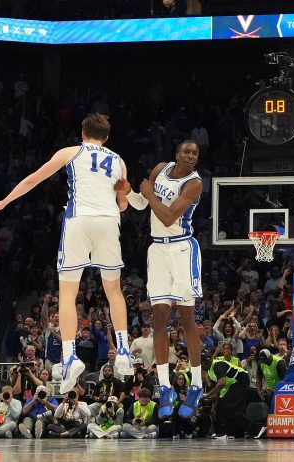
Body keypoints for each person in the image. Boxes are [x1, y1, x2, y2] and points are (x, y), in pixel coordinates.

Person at [0, 113, 134, 393]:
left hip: (79, 219)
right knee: (114, 291)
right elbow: (123, 204)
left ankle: (69, 357)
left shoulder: (71, 151)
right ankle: (124, 351)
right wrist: (125, 193)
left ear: (83, 133)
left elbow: (33, 179)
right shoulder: (118, 160)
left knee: (67, 294)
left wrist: (5, 201)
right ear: (106, 137)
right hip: (108, 219)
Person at [119, 140, 204, 419]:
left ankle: (196, 384)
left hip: (182, 248)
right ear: (176, 154)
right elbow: (142, 203)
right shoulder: (160, 169)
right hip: (157, 249)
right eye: (186, 152)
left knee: (186, 318)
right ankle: (165, 385)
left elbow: (167, 217)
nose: (191, 156)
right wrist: (129, 191)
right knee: (158, 319)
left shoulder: (194, 184)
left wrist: (148, 192)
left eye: (195, 153)